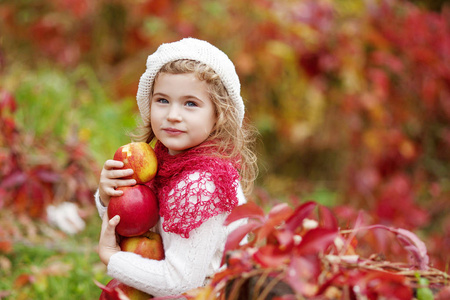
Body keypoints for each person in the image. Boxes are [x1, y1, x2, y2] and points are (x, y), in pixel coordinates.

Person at [94, 37, 258, 298]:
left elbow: (181, 281)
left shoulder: (201, 183)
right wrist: (107, 196)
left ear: (218, 115)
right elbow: (139, 221)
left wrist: (112, 258)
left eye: (190, 103)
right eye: (162, 100)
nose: (172, 114)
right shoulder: (164, 161)